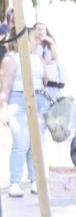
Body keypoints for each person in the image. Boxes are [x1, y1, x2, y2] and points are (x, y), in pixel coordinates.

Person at [0, 25, 48, 197]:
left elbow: (46, 79)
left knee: (36, 143)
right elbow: (5, 86)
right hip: (18, 100)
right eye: (33, 38)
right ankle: (15, 182)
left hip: (39, 99)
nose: (36, 41)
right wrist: (3, 108)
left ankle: (35, 179)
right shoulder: (11, 59)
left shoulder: (37, 58)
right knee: (21, 142)